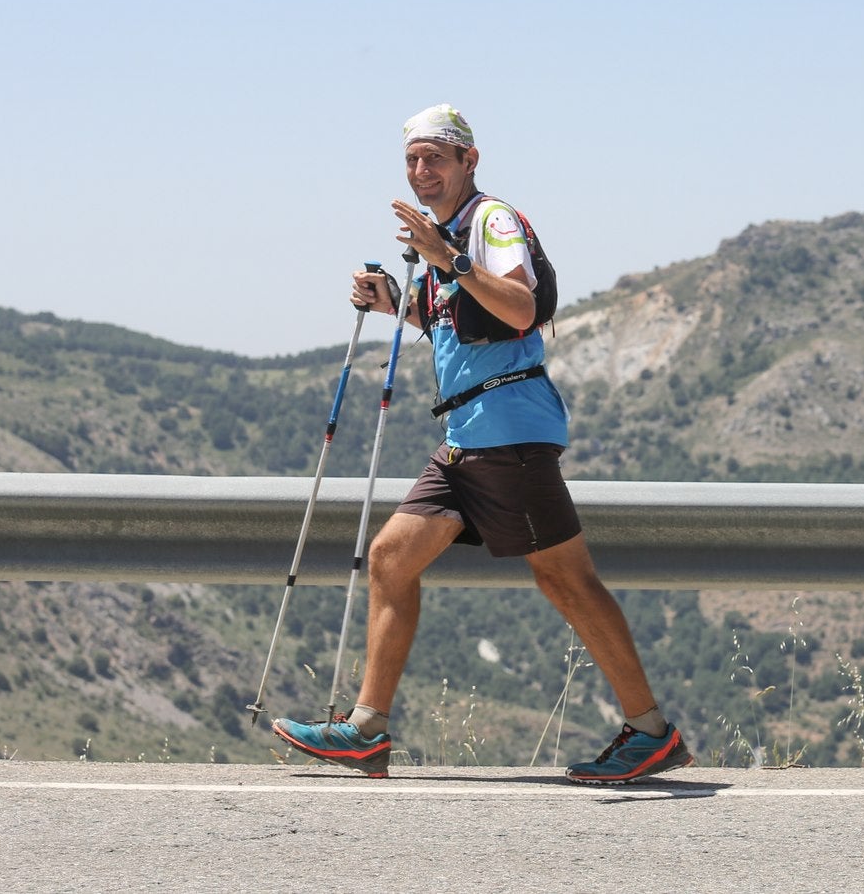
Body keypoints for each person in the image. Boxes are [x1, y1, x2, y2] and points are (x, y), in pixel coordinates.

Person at [271, 104, 692, 783]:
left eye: (435, 157)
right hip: (469, 438)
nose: (421, 171)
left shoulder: (490, 223)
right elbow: (463, 321)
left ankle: (651, 733)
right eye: (412, 159)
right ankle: (366, 730)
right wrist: (394, 303)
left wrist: (448, 257)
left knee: (566, 579)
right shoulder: (451, 234)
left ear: (470, 160)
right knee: (391, 558)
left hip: (509, 433)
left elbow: (519, 307)